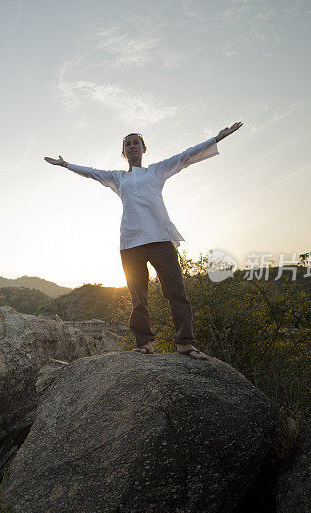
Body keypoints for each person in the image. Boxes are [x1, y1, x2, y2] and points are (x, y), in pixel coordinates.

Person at [44, 122, 242, 359]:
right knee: (139, 297)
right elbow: (91, 172)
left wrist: (217, 138)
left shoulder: (156, 171)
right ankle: (144, 342)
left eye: (136, 142)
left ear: (144, 149)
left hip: (160, 239)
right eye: (127, 144)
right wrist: (65, 164)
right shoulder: (118, 178)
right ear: (123, 152)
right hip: (131, 243)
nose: (132, 146)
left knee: (176, 292)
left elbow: (186, 156)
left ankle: (186, 343)